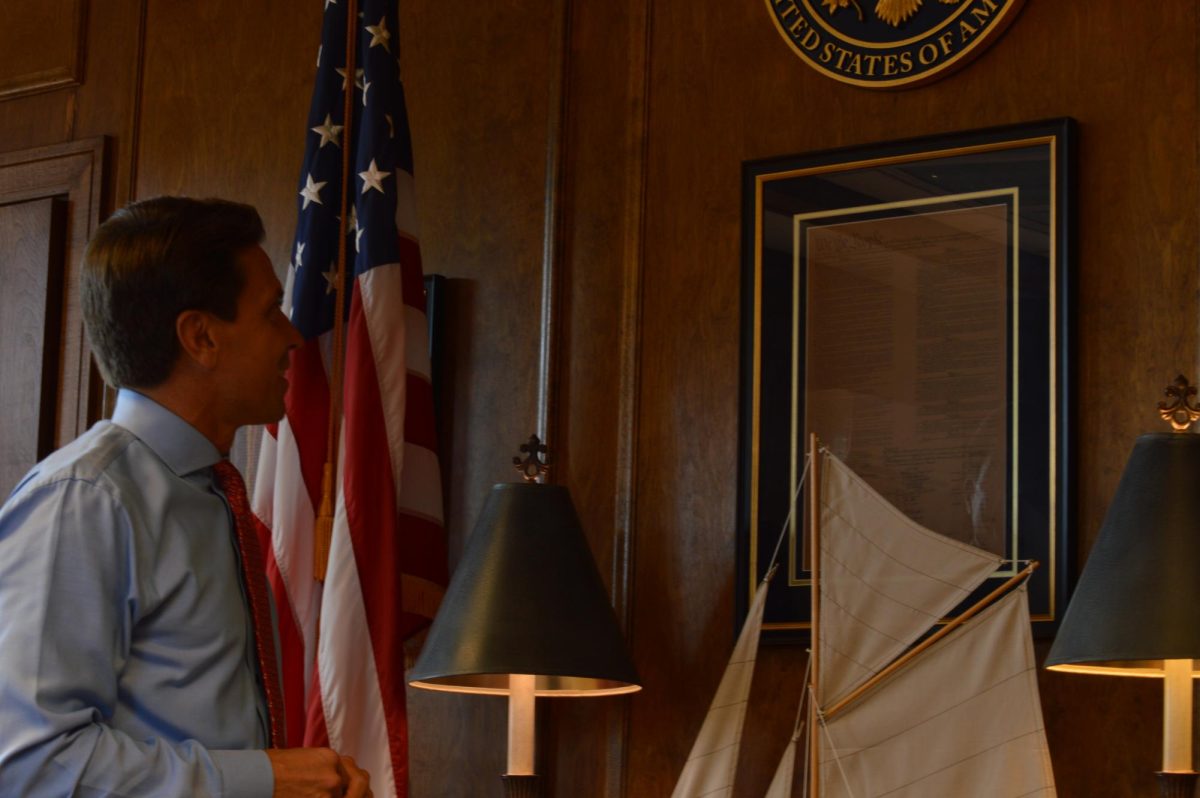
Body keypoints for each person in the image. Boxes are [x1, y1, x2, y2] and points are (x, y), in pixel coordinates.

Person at [0, 197, 371, 797]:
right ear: (200, 336)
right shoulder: (86, 500)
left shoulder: (212, 494)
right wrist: (265, 779)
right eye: (271, 311)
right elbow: (28, 764)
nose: (294, 337)